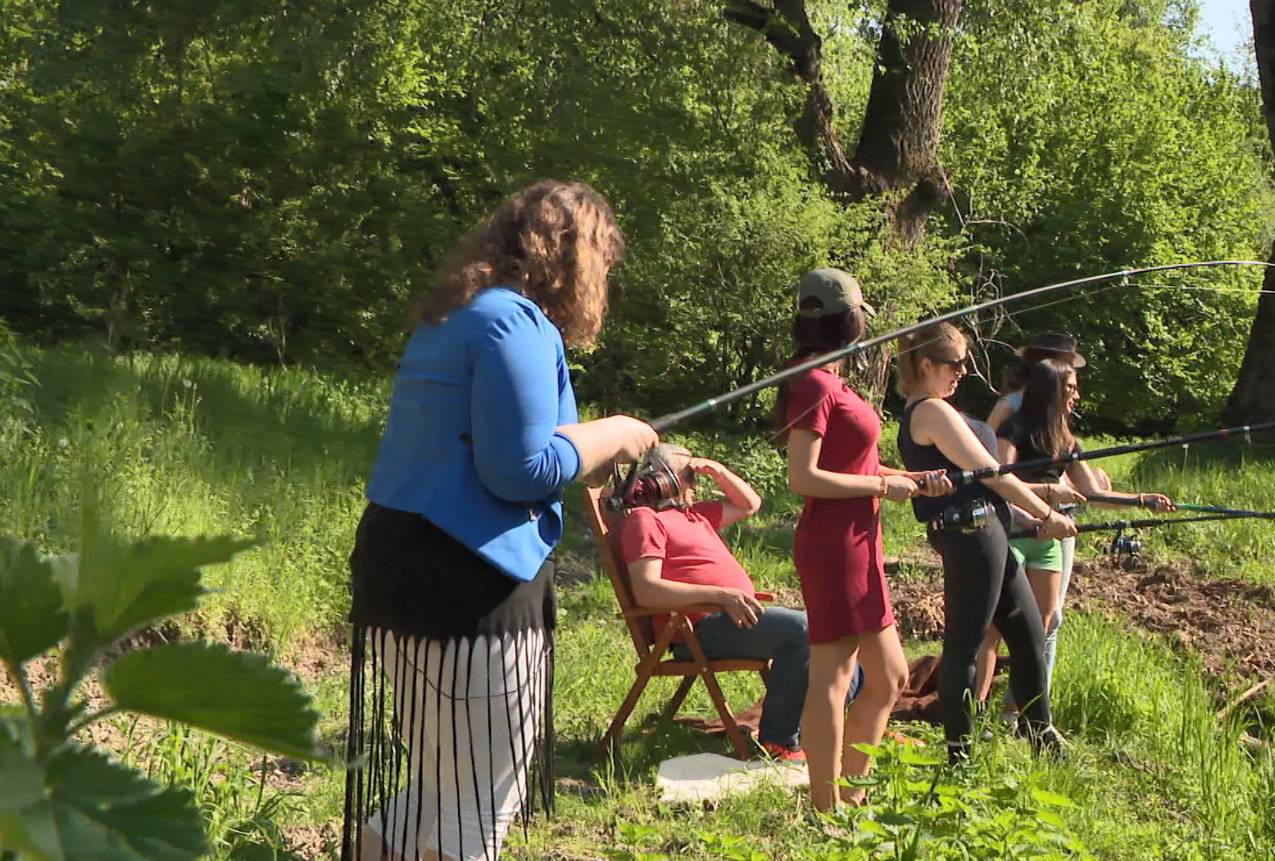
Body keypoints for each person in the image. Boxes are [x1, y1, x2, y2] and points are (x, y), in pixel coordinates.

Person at [343, 181, 658, 861]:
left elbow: (515, 447)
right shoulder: (512, 322)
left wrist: (600, 450)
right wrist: (619, 430)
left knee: (434, 785)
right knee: (479, 799)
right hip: (471, 586)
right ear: (572, 257)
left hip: (401, 569)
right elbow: (518, 469)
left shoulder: (456, 315)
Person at [776, 268, 950, 812]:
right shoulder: (813, 384)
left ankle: (852, 792)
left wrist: (905, 478)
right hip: (833, 546)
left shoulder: (833, 380)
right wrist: (882, 485)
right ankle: (825, 805)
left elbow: (854, 461)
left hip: (860, 541)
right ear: (850, 320)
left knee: (892, 675)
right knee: (834, 673)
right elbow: (802, 477)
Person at [894, 321, 1084, 762]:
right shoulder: (930, 412)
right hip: (970, 535)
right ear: (926, 364)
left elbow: (985, 480)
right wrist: (1047, 514)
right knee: (965, 643)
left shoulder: (940, 408)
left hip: (989, 529)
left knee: (1030, 633)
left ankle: (1042, 736)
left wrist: (1043, 499)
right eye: (956, 363)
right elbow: (992, 475)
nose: (963, 371)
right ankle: (959, 752)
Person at [616, 443, 855, 763]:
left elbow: (749, 504)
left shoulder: (695, 515)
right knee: (802, 630)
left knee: (835, 629)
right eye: (689, 475)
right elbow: (647, 590)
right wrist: (720, 596)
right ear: (664, 479)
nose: (696, 482)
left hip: (730, 619)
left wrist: (719, 470)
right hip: (697, 629)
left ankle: (825, 725)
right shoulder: (645, 520)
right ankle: (779, 742)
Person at [978, 355, 1176, 705]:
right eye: (1070, 388)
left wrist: (1142, 500)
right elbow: (1001, 482)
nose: (1076, 396)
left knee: (1043, 624)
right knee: (995, 628)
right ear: (1051, 390)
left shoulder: (1066, 440)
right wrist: (1047, 500)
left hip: (1048, 540)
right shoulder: (1014, 430)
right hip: (1013, 533)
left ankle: (1019, 712)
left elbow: (1094, 494)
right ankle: (974, 713)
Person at [980, 333, 1095, 699]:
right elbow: (993, 468)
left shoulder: (1061, 421)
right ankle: (982, 709)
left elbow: (1078, 471)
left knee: (1049, 618)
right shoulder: (1011, 408)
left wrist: (1135, 499)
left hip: (1055, 522)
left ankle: (1028, 707)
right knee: (1002, 624)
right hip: (1019, 519)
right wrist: (1044, 495)